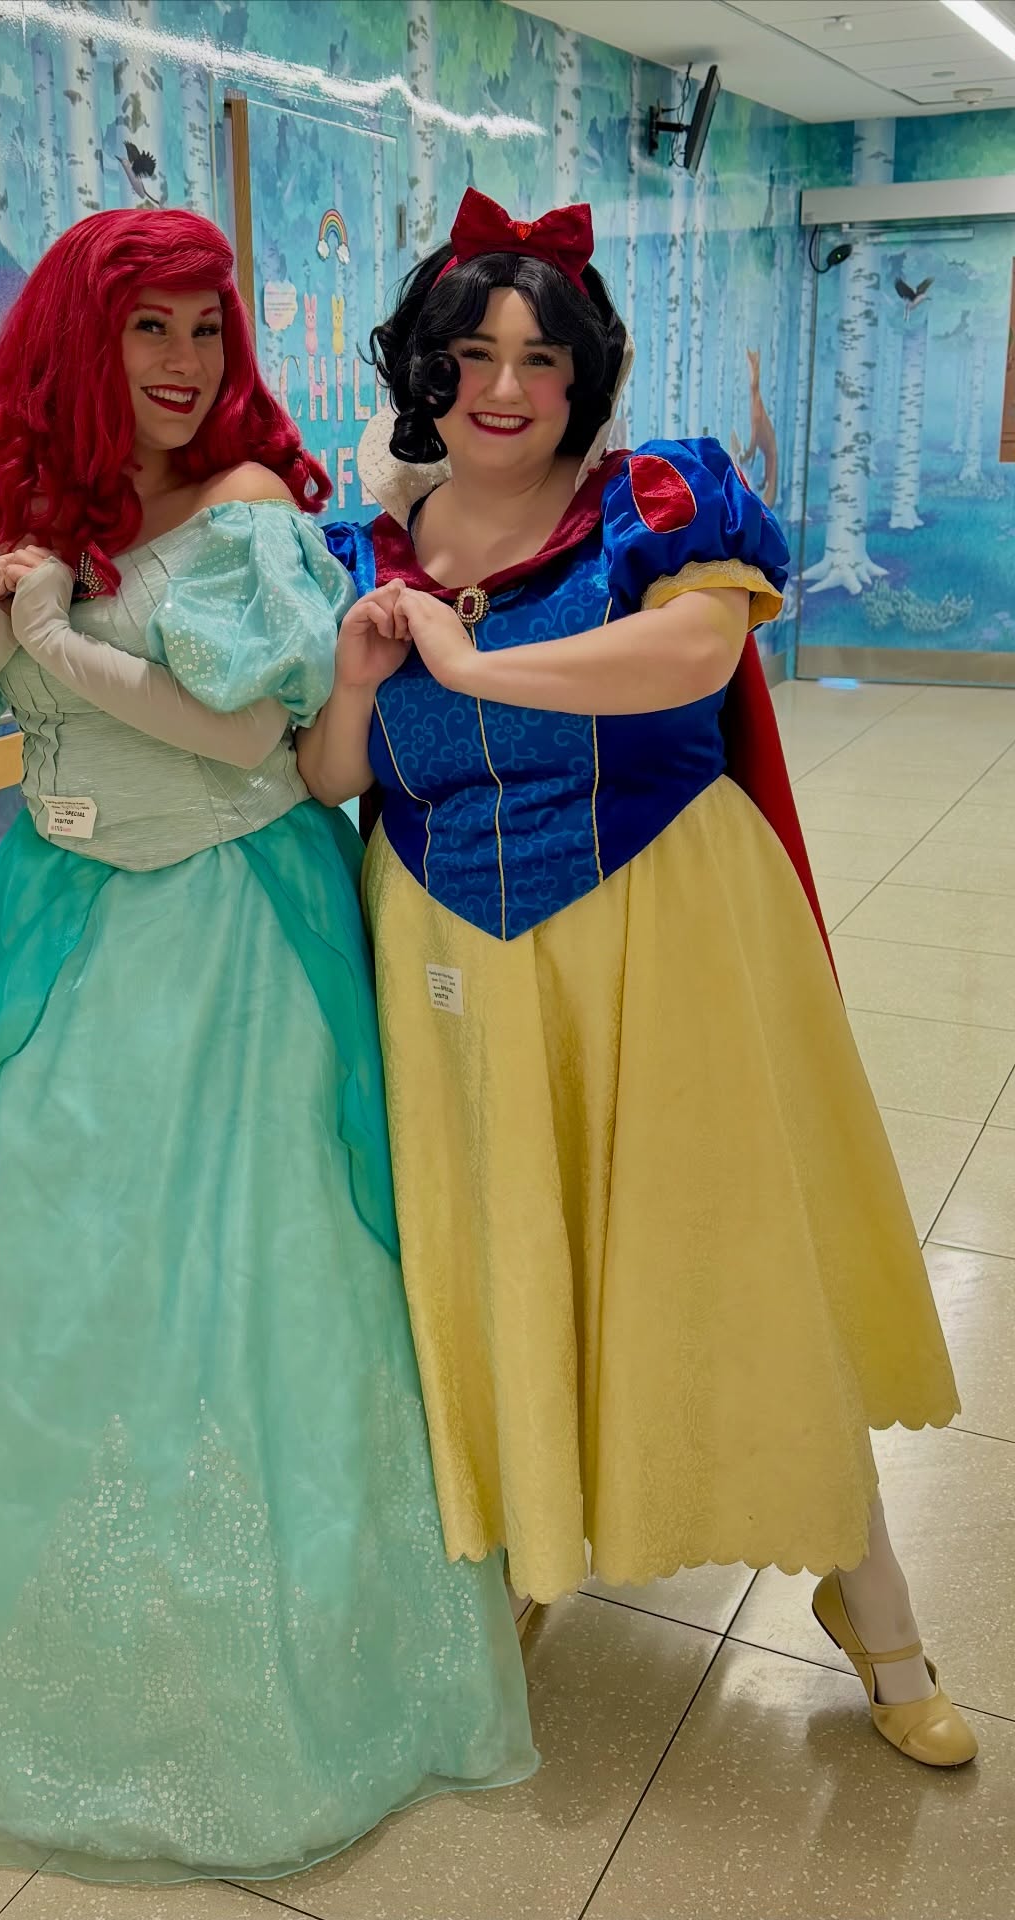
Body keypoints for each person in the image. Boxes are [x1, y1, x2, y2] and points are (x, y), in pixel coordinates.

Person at [0, 206, 537, 1881]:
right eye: (149, 331)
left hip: (232, 919)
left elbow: (243, 724)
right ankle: (2, 1642)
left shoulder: (242, 512)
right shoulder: (12, 514)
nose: (181, 365)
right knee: (31, 1263)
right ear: (76, 349)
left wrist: (56, 637)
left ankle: (245, 1665)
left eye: (205, 331)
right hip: (58, 922)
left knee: (242, 1274)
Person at [298, 190, 975, 1769]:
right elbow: (326, 770)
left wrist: (466, 663)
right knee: (496, 1262)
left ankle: (865, 1599)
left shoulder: (663, 500)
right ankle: (531, 1552)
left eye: (540, 357)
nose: (504, 389)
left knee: (728, 1256)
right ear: (425, 372)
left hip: (658, 922)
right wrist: (351, 683)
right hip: (446, 947)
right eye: (471, 356)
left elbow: (695, 661)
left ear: (587, 371)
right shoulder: (354, 552)